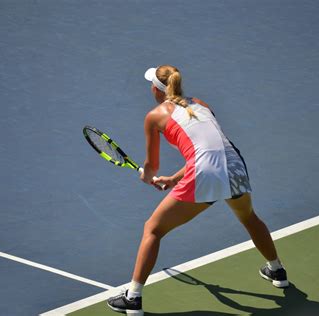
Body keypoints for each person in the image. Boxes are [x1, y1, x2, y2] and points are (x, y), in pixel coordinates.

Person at [107, 65, 288, 315]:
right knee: (249, 217)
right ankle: (277, 270)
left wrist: (147, 176)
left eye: (151, 83)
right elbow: (210, 147)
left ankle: (133, 297)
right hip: (235, 165)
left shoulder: (154, 116)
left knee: (153, 229)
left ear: (156, 90)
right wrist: (173, 179)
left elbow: (152, 166)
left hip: (205, 173)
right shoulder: (200, 103)